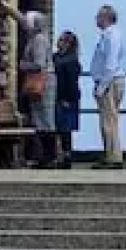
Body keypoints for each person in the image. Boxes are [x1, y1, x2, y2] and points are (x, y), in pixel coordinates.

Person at [87, 5, 126, 170]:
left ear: (106, 18)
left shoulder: (112, 36)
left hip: (109, 82)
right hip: (108, 81)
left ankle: (113, 157)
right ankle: (110, 154)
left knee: (108, 121)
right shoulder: (108, 35)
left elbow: (110, 64)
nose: (96, 19)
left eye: (98, 16)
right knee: (108, 119)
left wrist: (101, 87)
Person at [16, 11, 56, 166]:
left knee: (45, 119)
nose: (25, 24)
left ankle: (49, 156)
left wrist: (22, 65)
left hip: (43, 83)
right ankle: (44, 156)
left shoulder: (39, 40)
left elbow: (39, 64)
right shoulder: (36, 37)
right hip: (40, 82)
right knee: (40, 119)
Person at [50, 30, 83, 170]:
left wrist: (67, 99)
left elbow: (71, 82)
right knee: (58, 127)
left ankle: (66, 156)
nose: (59, 42)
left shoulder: (71, 59)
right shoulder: (56, 57)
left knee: (65, 129)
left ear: (69, 43)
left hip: (66, 97)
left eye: (62, 40)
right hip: (56, 95)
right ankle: (58, 155)